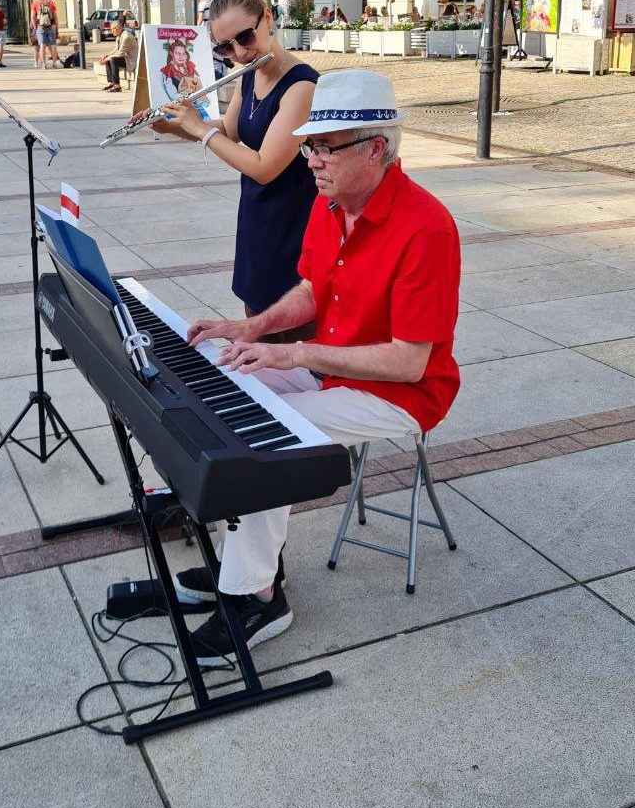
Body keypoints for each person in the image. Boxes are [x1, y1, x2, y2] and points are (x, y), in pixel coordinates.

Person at [174, 70, 461, 665]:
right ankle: (251, 563)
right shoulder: (331, 205)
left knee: (267, 438)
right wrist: (252, 328)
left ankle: (258, 596)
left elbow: (410, 363)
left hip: (398, 394)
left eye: (325, 147)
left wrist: (297, 353)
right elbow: (310, 290)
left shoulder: (426, 227)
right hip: (335, 368)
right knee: (215, 368)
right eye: (310, 146)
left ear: (376, 148)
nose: (311, 161)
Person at [133, 0, 320, 342]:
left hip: (292, 228)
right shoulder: (252, 75)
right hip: (257, 221)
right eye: (225, 47)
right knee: (255, 330)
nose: (239, 53)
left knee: (284, 340)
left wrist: (200, 130)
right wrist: (171, 126)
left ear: (268, 19)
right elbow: (230, 130)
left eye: (245, 38)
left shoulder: (302, 86)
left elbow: (265, 167)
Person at [159, 38, 210, 119]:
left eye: (183, 53)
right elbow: (173, 95)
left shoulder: (190, 69)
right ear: (171, 53)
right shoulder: (167, 72)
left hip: (196, 110)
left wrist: (203, 98)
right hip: (178, 111)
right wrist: (193, 98)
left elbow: (201, 93)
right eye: (177, 53)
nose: (181, 56)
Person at [98, 21, 137, 92]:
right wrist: (106, 56)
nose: (112, 31)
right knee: (110, 58)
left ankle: (117, 85)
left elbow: (120, 53)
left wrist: (107, 58)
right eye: (111, 29)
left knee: (113, 59)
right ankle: (111, 82)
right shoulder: (119, 36)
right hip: (125, 58)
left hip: (131, 61)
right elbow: (115, 50)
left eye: (113, 29)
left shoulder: (126, 37)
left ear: (119, 28)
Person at [30, 0, 59, 69]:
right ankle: (54, 64)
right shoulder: (52, 3)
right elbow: (56, 18)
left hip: (40, 26)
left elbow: (32, 17)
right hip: (51, 26)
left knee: (42, 45)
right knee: (53, 45)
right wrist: (57, 29)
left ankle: (44, 64)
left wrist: (35, 27)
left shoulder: (35, 3)